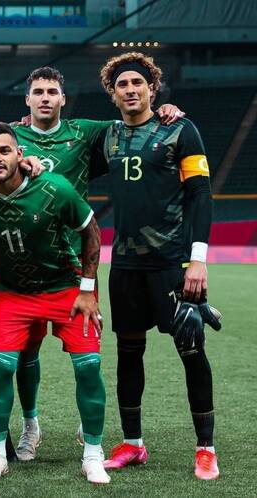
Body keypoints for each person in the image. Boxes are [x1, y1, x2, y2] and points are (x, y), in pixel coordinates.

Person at [8, 66, 185, 460]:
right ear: (27, 99)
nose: (45, 98)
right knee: (25, 353)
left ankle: (87, 426)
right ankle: (30, 425)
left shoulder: (86, 131)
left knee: (85, 356)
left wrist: (163, 110)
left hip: (75, 264)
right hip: (24, 263)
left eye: (52, 91)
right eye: (38, 92)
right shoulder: (11, 138)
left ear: (63, 98)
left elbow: (134, 119)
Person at [0, 122, 108, 484]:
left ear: (20, 154)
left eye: (4, 150)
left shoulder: (54, 188)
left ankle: (93, 453)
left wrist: (87, 290)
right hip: (13, 293)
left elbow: (91, 231)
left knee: (89, 366)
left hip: (66, 288)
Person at [96, 52, 220, 480]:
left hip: (172, 264)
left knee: (192, 351)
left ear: (152, 88)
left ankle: (206, 449)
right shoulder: (108, 137)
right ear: (112, 94)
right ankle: (133, 444)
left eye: (138, 83)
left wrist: (197, 260)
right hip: (125, 266)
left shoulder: (180, 130)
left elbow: (201, 194)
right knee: (129, 355)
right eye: (122, 84)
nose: (130, 89)